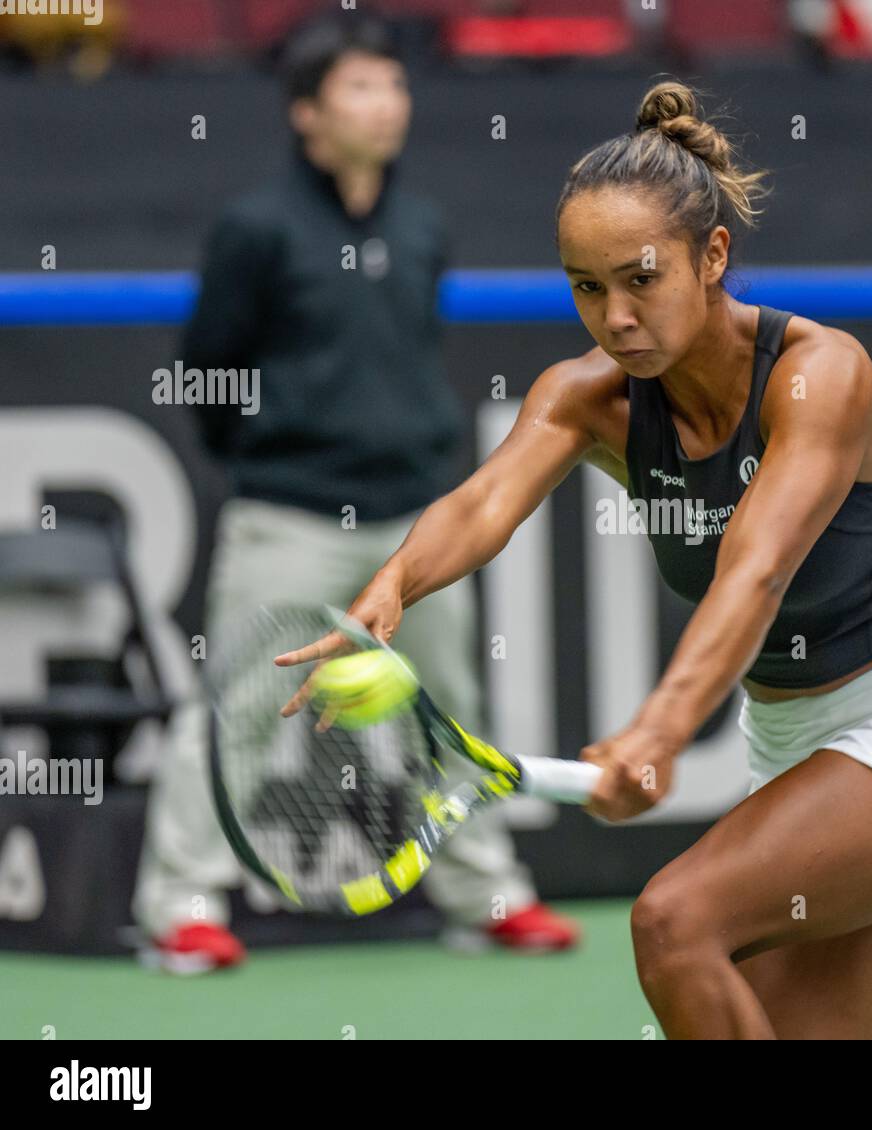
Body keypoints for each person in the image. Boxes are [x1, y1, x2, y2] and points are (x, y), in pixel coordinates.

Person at [277, 80, 872, 1039]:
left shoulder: (820, 377)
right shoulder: (585, 399)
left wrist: (659, 732)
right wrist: (394, 583)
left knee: (674, 924)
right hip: (799, 750)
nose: (615, 316)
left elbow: (756, 572)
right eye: (586, 287)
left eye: (641, 278)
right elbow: (483, 503)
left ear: (711, 255)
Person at [132, 15, 577, 972]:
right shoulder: (256, 229)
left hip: (416, 522)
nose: (388, 105)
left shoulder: (423, 226)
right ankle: (183, 906)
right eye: (361, 89)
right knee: (239, 707)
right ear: (307, 115)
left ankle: (486, 896)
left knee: (451, 706)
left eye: (395, 86)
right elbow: (207, 372)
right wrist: (278, 458)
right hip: (291, 513)